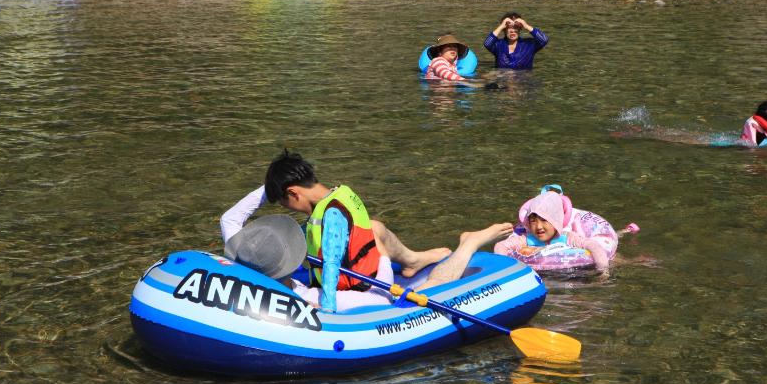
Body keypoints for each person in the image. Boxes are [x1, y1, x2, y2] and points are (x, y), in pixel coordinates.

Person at [221, 150, 512, 312]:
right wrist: (277, 180)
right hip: (368, 266)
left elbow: (331, 265)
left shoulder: (331, 215)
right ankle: (413, 260)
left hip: (368, 289)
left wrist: (328, 309)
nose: (288, 208)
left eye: (284, 201)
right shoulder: (339, 193)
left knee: (424, 292)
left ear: (294, 193)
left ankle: (468, 245)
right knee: (374, 228)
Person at [494, 185, 623, 280]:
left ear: (555, 220)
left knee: (617, 261)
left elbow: (594, 246)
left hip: (572, 274)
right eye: (533, 221)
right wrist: (504, 270)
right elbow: (501, 245)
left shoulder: (567, 237)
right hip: (540, 275)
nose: (538, 226)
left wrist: (603, 271)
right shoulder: (526, 239)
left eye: (544, 220)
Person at [483, 12, 549, 70]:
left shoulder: (529, 45)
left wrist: (526, 26)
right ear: (504, 30)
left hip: (523, 78)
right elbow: (487, 43)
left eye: (515, 27)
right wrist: (501, 26)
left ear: (520, 28)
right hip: (501, 77)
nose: (513, 30)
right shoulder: (498, 45)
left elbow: (544, 39)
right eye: (509, 28)